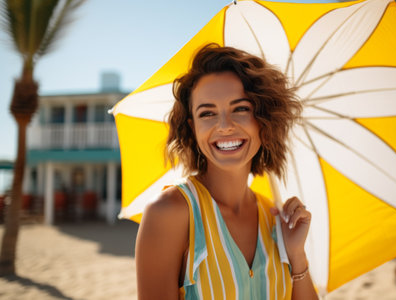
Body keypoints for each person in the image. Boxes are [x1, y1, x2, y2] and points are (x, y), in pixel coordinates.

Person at [135, 44, 319, 300]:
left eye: (240, 108)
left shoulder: (275, 216)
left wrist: (296, 254)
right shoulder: (169, 214)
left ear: (263, 119)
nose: (224, 126)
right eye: (207, 113)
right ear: (193, 127)